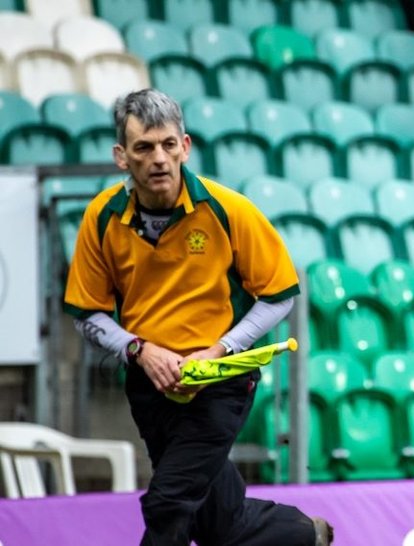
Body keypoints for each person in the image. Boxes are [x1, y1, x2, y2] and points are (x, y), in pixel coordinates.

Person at [63, 89, 331, 545]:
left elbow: (280, 295)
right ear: (121, 157)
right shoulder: (102, 218)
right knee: (220, 524)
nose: (159, 158)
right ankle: (304, 535)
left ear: (185, 146)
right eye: (144, 147)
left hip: (222, 382)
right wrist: (139, 350)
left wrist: (222, 349)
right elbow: (86, 311)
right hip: (149, 384)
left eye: (169, 145)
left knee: (168, 503)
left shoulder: (229, 210)